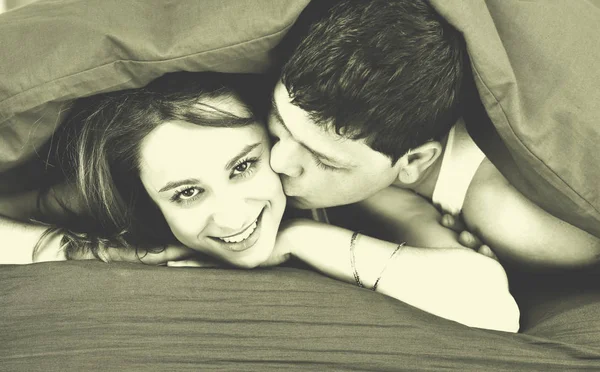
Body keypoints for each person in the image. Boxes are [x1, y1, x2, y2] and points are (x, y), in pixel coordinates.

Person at [0, 71, 518, 332]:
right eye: (186, 193)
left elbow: (492, 308)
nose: (233, 215)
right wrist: (94, 253)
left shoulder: (341, 196)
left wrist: (303, 238)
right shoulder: (119, 201)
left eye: (244, 166)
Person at [267, 0, 600, 271]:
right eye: (279, 123)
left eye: (322, 160)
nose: (278, 160)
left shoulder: (508, 217)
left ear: (414, 161)